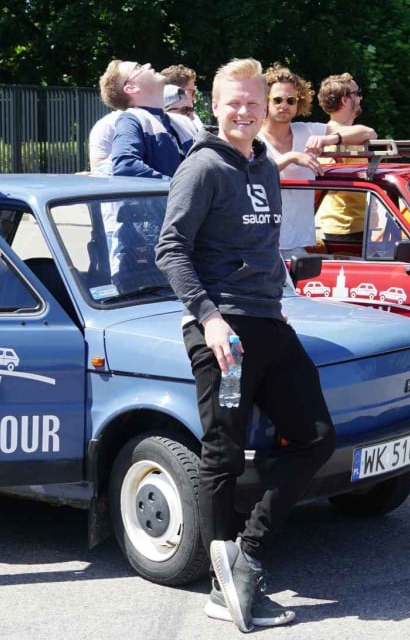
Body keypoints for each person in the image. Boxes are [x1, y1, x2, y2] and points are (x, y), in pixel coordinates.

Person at [155, 58, 334, 631]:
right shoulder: (203, 167)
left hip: (269, 321)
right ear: (214, 104)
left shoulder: (265, 166)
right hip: (222, 331)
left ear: (265, 107)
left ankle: (247, 553)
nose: (244, 112)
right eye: (234, 102)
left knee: (314, 437)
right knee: (223, 454)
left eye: (254, 103)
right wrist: (207, 319)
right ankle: (219, 585)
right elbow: (171, 250)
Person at [259, 65, 375, 257]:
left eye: (291, 100)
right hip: (261, 244)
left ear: (299, 102)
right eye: (277, 100)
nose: (284, 105)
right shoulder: (253, 138)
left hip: (298, 244)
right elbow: (249, 175)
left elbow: (368, 133)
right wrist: (291, 157)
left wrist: (330, 139)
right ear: (264, 102)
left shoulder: (307, 131)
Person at [103, 59, 193, 179]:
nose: (148, 65)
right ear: (131, 88)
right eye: (138, 67)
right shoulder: (131, 119)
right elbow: (125, 166)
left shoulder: (181, 121)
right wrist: (174, 186)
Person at [312, 73, 369, 252]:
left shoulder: (339, 135)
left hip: (351, 224)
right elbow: (369, 132)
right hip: (340, 226)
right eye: (357, 93)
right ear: (345, 100)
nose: (361, 98)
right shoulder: (329, 132)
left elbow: (367, 132)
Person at [164, 64, 207, 136]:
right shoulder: (163, 127)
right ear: (179, 91)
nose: (194, 98)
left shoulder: (193, 117)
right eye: (192, 92)